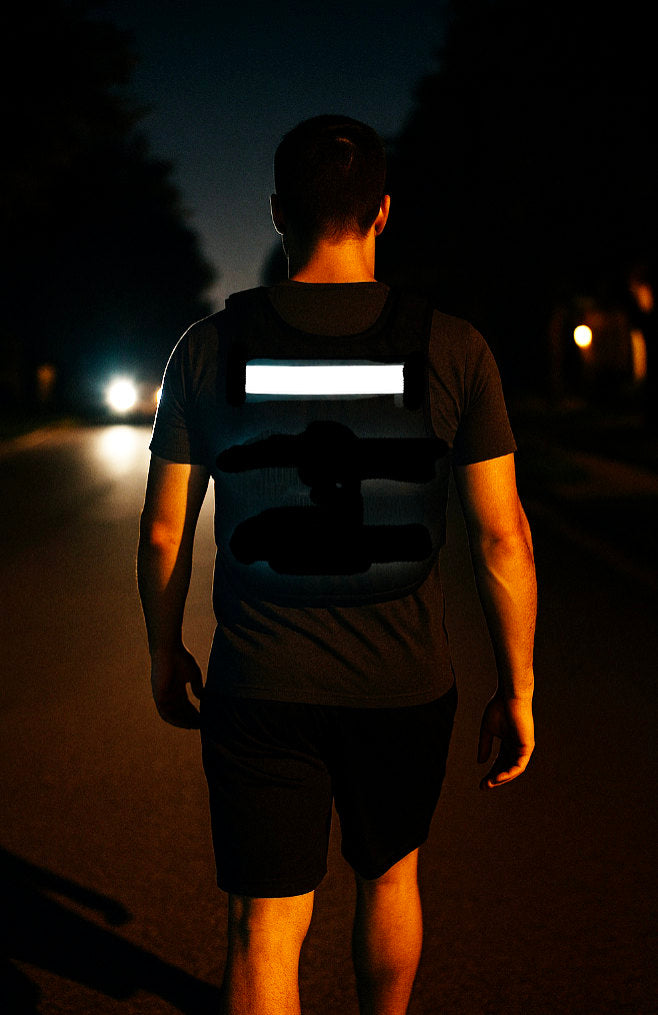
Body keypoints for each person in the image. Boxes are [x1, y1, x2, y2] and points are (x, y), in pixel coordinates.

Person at [137, 115, 536, 1015]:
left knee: (262, 929)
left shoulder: (207, 348)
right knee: (390, 879)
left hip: (260, 682)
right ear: (383, 212)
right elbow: (502, 536)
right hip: (401, 683)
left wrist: (165, 653)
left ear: (279, 213)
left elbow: (165, 532)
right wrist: (518, 687)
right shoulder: (453, 347)